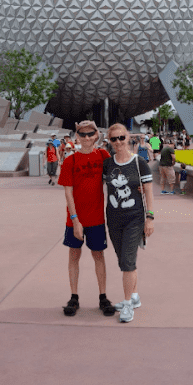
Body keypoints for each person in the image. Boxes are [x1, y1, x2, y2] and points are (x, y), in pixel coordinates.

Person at [57, 120, 115, 317]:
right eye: (83, 134)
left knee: (99, 256)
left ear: (97, 135)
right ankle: (74, 297)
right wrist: (75, 221)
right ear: (77, 137)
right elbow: (68, 193)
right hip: (75, 219)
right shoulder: (70, 161)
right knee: (74, 256)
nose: (87, 138)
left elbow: (118, 174)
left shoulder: (103, 155)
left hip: (97, 218)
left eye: (91, 134)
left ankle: (103, 297)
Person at [103, 123, 155, 323]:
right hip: (114, 218)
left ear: (128, 138)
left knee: (127, 261)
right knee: (123, 260)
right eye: (113, 139)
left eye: (121, 138)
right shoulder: (108, 164)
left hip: (134, 218)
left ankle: (126, 304)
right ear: (110, 141)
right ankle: (134, 296)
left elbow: (148, 191)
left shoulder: (138, 162)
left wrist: (150, 217)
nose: (118, 142)